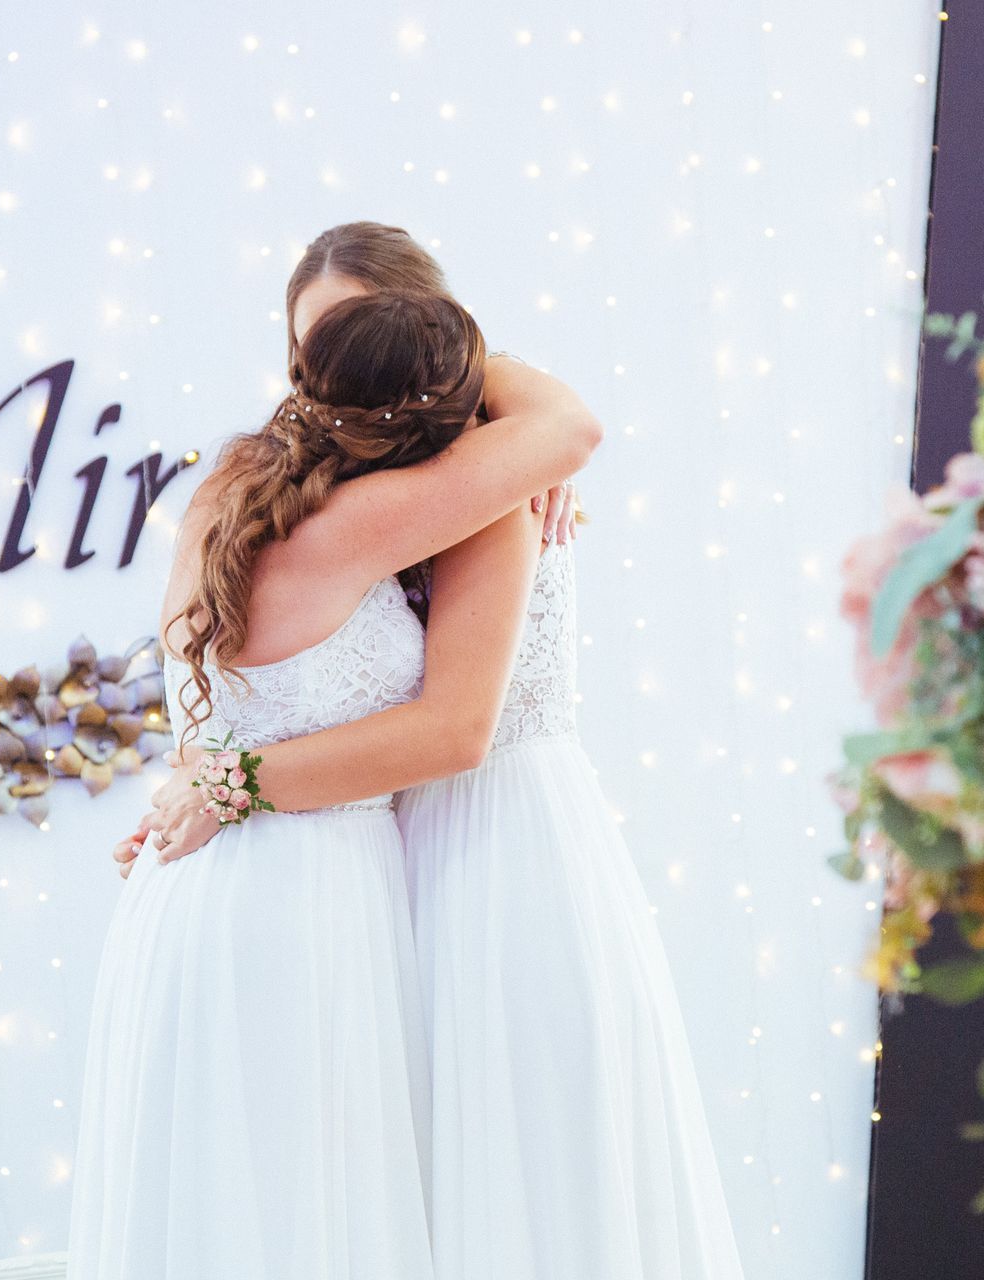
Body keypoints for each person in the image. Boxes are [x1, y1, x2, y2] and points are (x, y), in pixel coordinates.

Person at [122, 224, 745, 1280]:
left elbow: (453, 726)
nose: (323, 376)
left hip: (496, 856)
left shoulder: (477, 486)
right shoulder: (308, 491)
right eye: (310, 346)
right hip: (362, 864)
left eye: (354, 338)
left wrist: (227, 780)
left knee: (511, 1191)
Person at [67, 283, 602, 1280]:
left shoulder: (224, 491)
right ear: (431, 424)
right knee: (310, 1217)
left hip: (186, 900)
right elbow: (570, 427)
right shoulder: (380, 518)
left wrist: (213, 785)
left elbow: (207, 725)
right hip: (307, 894)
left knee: (215, 1214)